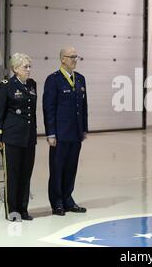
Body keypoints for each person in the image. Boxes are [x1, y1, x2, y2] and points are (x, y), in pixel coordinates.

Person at [43, 47, 88, 216]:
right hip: (60, 134)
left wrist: (84, 128)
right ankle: (57, 203)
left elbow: (83, 107)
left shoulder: (80, 79)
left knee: (71, 168)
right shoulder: (53, 80)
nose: (75, 59)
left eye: (76, 56)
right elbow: (49, 108)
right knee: (57, 168)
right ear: (63, 59)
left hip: (75, 133)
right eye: (72, 57)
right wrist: (51, 133)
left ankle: (68, 199)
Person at [0, 53, 37, 222]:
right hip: (12, 137)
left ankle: (23, 209)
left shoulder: (32, 85)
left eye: (29, 66)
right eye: (25, 67)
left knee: (26, 174)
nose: (28, 70)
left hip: (28, 138)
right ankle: (13, 211)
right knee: (13, 175)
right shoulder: (7, 86)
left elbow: (32, 113)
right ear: (16, 69)